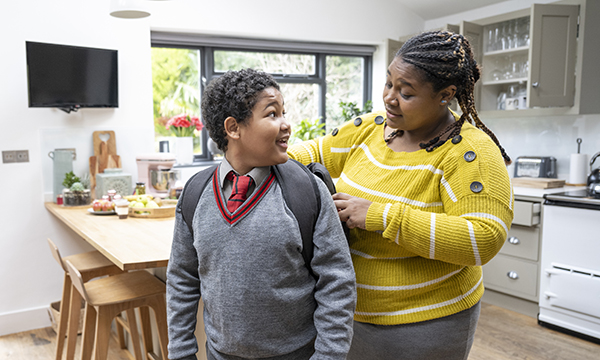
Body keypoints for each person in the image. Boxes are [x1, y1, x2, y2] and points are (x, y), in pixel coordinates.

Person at [288, 31, 514, 360]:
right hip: (348, 314)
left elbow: (483, 239)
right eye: (388, 84)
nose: (390, 98)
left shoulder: (470, 152)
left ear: (445, 94)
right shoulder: (369, 129)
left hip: (425, 324)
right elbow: (308, 153)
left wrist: (381, 216)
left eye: (406, 92)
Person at [166, 68, 357, 360]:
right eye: (272, 114)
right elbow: (182, 280)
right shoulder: (195, 194)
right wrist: (181, 352)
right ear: (233, 128)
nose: (286, 125)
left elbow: (337, 282)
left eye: (283, 112)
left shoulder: (307, 191)